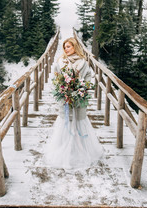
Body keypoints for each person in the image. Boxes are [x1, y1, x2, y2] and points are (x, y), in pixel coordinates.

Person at [44, 37, 104, 170]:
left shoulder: (83, 62)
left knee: (79, 122)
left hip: (79, 99)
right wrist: (61, 89)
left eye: (69, 46)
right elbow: (55, 77)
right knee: (66, 122)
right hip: (65, 99)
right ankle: (65, 152)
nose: (66, 49)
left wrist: (83, 88)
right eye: (65, 47)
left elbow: (89, 77)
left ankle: (79, 151)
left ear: (75, 47)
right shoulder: (60, 62)